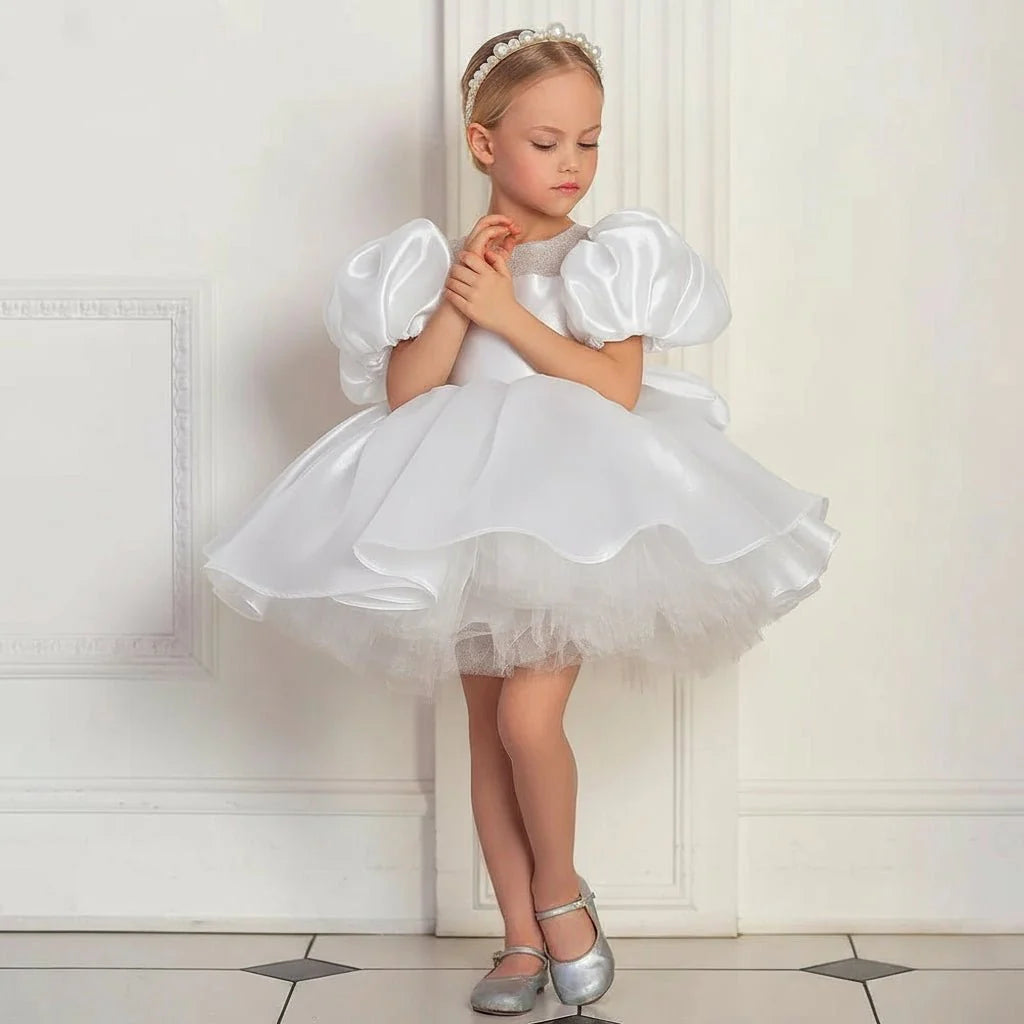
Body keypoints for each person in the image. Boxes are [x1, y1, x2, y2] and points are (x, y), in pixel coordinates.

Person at [201, 21, 839, 1016]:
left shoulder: (607, 259)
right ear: (484, 143)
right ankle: (514, 941)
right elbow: (410, 392)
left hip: (571, 511)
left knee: (526, 716)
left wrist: (509, 315)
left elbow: (614, 386)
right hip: (460, 504)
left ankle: (560, 897)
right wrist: (465, 294)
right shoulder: (439, 265)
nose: (573, 163)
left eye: (588, 140)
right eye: (547, 142)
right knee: (485, 730)